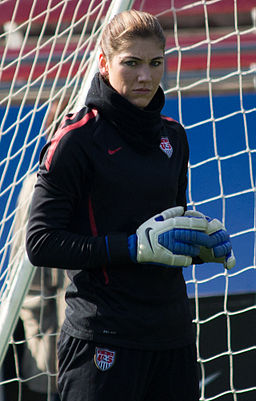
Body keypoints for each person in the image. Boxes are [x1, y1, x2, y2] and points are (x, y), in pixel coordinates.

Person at [26, 10, 235, 401]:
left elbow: (165, 233)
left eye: (156, 63)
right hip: (102, 339)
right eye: (132, 63)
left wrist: (198, 245)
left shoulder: (174, 136)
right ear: (104, 64)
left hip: (172, 336)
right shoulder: (75, 141)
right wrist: (132, 247)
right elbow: (40, 243)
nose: (145, 76)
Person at [6, 99, 68, 401]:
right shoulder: (36, 189)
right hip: (55, 353)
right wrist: (47, 344)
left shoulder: (106, 178)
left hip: (104, 350)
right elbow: (30, 280)